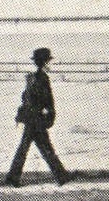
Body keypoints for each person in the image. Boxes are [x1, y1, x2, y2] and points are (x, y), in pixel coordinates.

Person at [5, 47, 72, 187]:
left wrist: (21, 115)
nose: (50, 64)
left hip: (31, 119)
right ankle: (61, 176)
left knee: (31, 148)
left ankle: (13, 177)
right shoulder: (43, 79)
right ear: (45, 62)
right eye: (48, 61)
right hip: (37, 120)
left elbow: (25, 98)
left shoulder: (31, 78)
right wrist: (50, 114)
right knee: (44, 149)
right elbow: (47, 99)